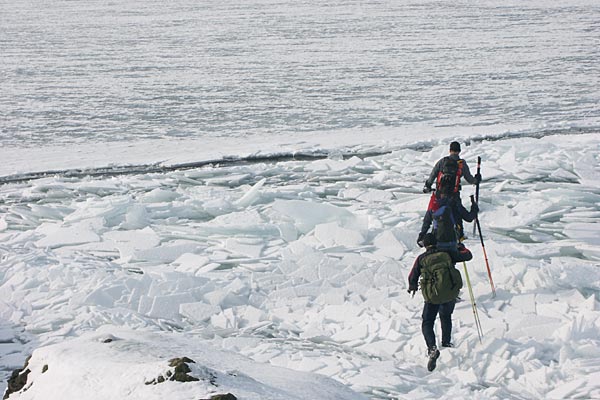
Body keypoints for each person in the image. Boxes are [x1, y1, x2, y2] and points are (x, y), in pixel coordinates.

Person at [408, 233, 463, 372]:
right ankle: (446, 343)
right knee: (445, 316)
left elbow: (412, 275)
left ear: (425, 245)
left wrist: (412, 287)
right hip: (449, 293)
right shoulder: (447, 253)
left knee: (427, 321)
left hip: (432, 296)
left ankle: (432, 348)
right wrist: (460, 247)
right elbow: (467, 255)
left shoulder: (422, 258)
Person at [416, 189, 478, 262]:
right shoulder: (455, 204)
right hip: (453, 244)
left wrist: (421, 236)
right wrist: (474, 207)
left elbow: (426, 222)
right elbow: (469, 217)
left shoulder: (434, 206)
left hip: (437, 244)